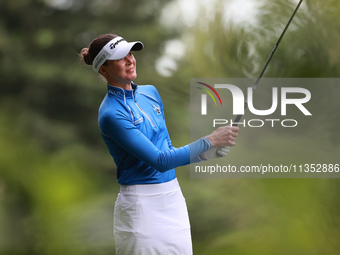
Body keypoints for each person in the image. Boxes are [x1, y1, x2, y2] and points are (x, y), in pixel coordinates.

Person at [79, 33, 239, 255]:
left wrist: (208, 153)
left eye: (130, 54)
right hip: (141, 207)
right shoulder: (111, 113)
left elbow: (168, 151)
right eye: (120, 57)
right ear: (103, 69)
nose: (130, 60)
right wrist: (210, 140)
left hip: (173, 199)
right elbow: (160, 161)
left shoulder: (150, 93)